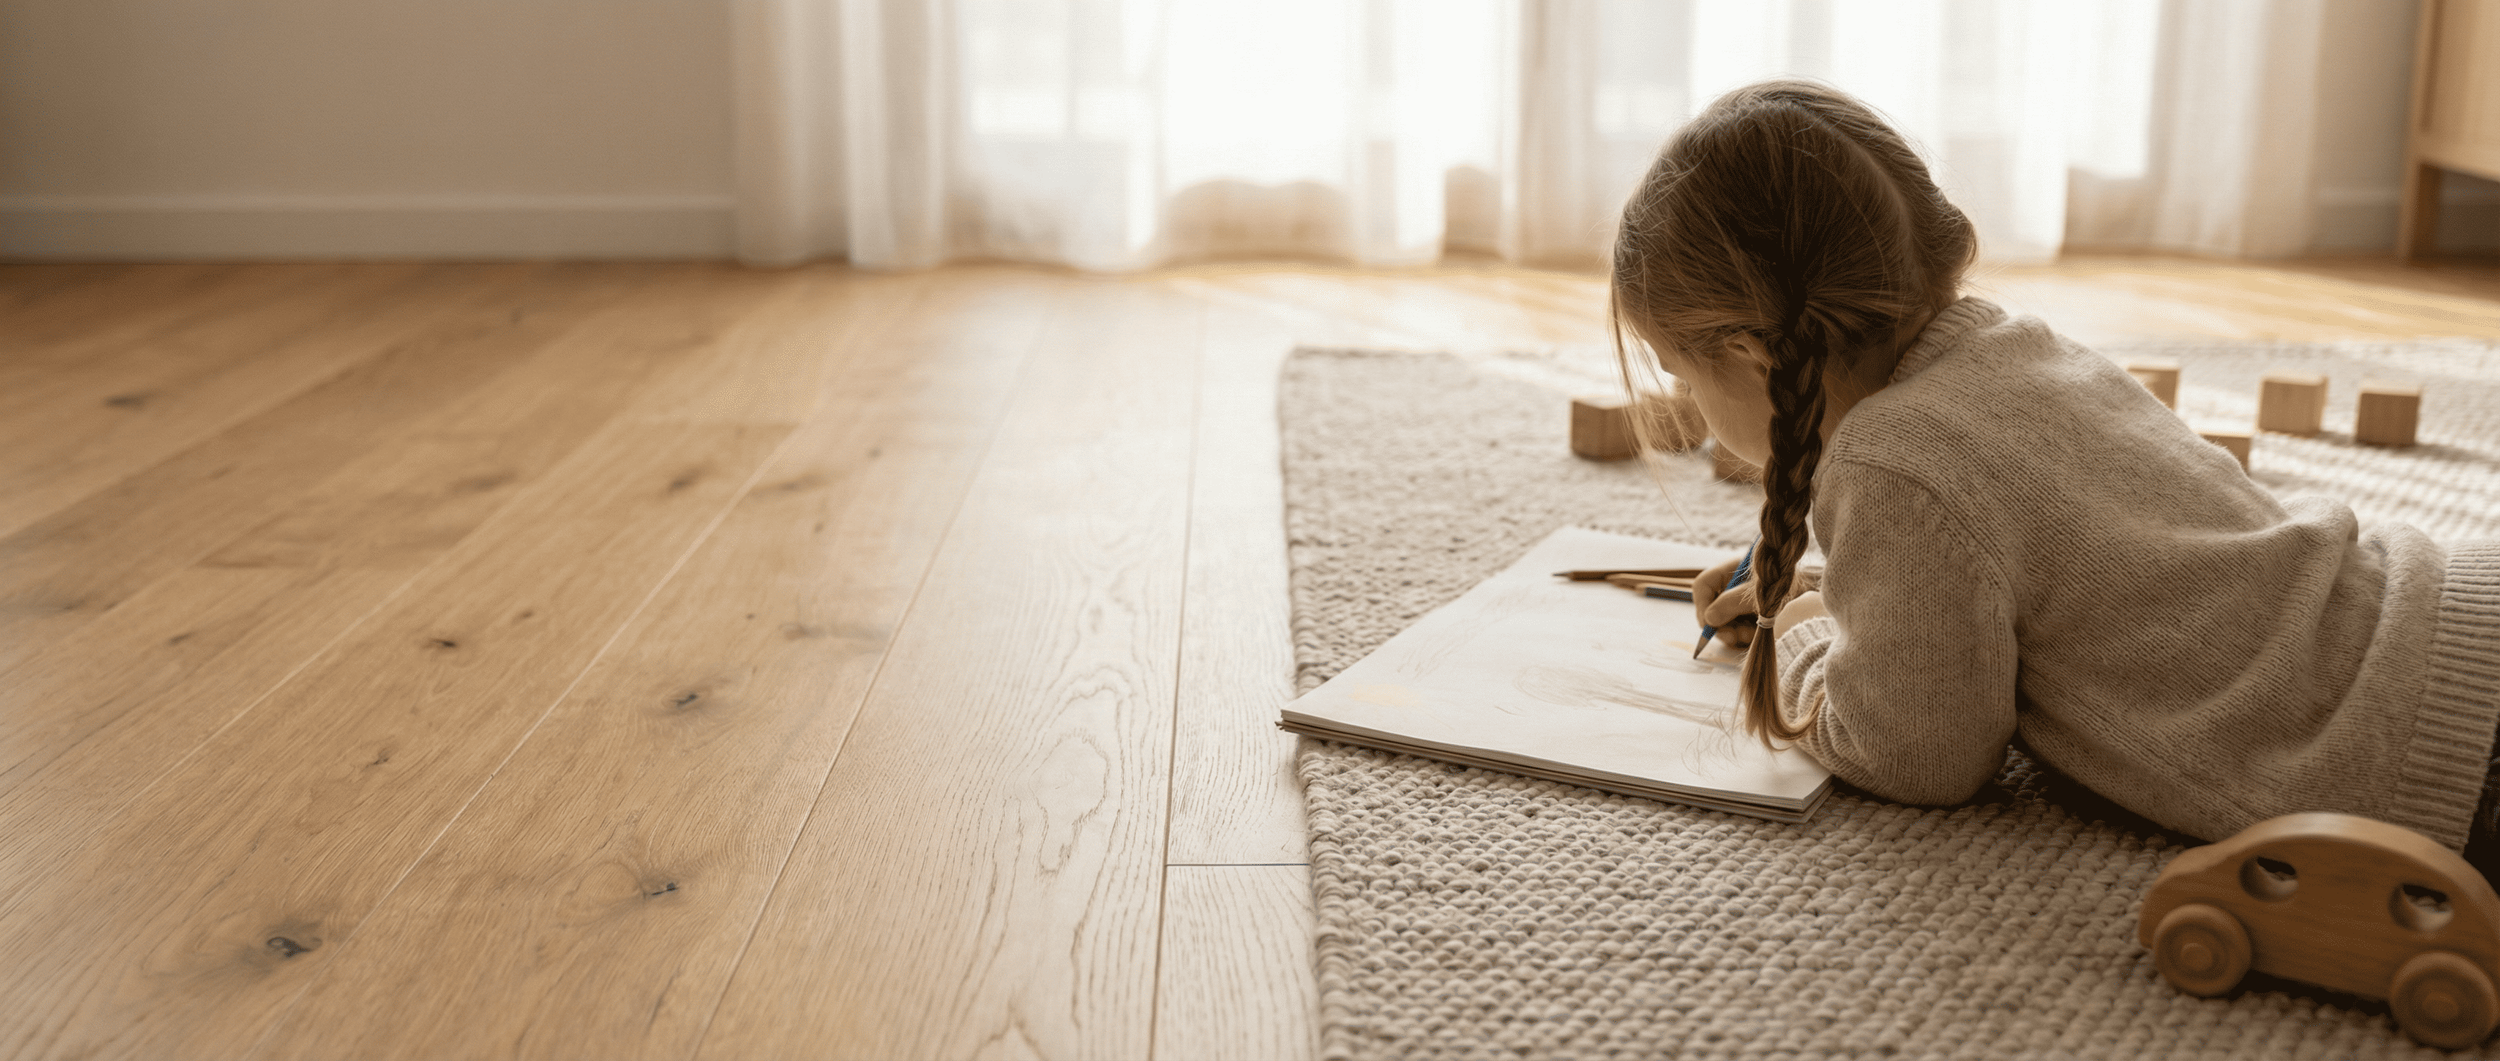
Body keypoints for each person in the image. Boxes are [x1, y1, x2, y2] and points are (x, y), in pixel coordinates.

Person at [1611, 79, 2500, 869]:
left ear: (1750, 353)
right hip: (2451, 612)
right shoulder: (2019, 347)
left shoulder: (1890, 461)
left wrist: (1804, 630)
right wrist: (1846, 590)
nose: (1688, 404)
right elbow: (2044, 553)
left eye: (1681, 374)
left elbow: (1914, 758)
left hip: (2423, 754)